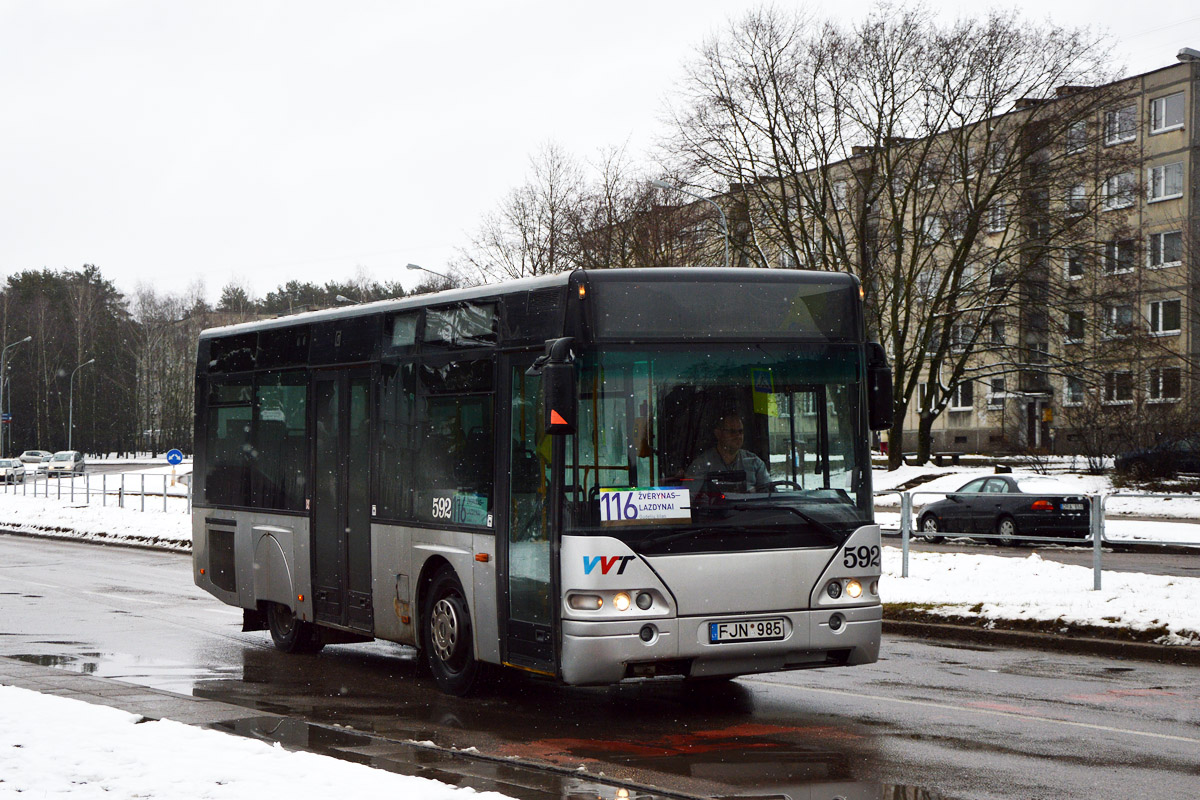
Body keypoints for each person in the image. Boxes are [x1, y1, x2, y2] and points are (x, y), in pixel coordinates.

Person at [685, 413, 771, 492]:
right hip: (714, 509)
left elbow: (770, 496)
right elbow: (687, 498)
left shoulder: (754, 462)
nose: (738, 436)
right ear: (718, 434)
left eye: (740, 431)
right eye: (732, 432)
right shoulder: (702, 464)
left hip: (750, 508)